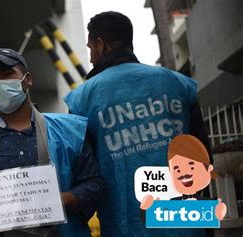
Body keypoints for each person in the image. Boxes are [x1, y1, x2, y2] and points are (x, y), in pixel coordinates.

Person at [64, 11, 212, 236]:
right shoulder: (177, 83)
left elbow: (86, 180)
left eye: (90, 48)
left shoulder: (82, 99)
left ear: (101, 45)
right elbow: (203, 157)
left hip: (126, 227)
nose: (92, 57)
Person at [0, 48, 104, 237]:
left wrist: (59, 200)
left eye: (7, 74)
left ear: (27, 80)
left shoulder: (69, 132)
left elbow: (94, 185)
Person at [140, 134, 226, 219]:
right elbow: (150, 217)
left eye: (191, 167)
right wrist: (146, 208)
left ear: (209, 168)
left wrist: (218, 210)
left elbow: (216, 214)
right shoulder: (172, 202)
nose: (183, 174)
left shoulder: (206, 204)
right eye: (177, 169)